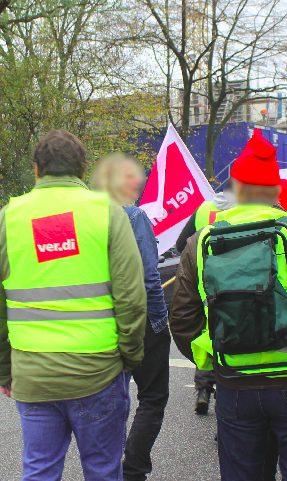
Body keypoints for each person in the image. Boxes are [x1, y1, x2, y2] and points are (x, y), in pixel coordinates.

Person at [170, 130, 287, 481]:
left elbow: (183, 318)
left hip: (235, 384)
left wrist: (214, 362)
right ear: (276, 188)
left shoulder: (200, 242)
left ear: (235, 188)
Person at [0, 130, 147, 481]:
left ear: (36, 170)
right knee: (102, 470)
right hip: (98, 372)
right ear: (82, 171)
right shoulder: (109, 214)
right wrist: (129, 357)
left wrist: (3, 371)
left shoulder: (7, 219)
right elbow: (131, 297)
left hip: (34, 376)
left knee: (40, 472)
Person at [90, 154, 170, 481]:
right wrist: (160, 321)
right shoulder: (134, 216)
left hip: (104, 324)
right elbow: (150, 277)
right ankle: (134, 468)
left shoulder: (87, 218)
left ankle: (110, 467)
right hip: (141, 320)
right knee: (152, 397)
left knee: (115, 400)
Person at [175, 186, 236, 414]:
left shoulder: (203, 208)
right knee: (227, 332)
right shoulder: (243, 208)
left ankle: (202, 389)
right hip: (233, 277)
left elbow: (182, 244)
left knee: (206, 333)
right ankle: (225, 396)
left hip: (203, 277)